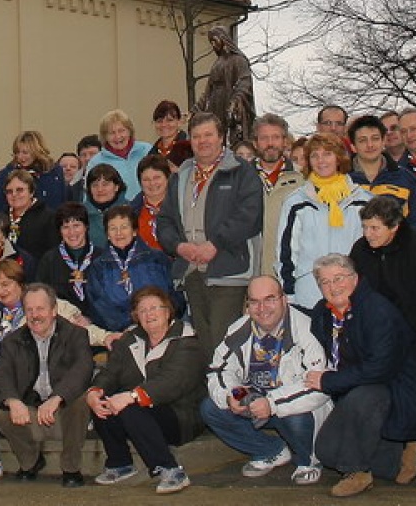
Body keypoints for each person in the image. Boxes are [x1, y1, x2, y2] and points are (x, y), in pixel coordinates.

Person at [0, 262, 115, 481]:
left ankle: (63, 467)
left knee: (78, 399)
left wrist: (106, 336)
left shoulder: (61, 321)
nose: (35, 315)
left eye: (6, 284)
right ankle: (14, 448)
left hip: (41, 390)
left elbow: (81, 353)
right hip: (3, 380)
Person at [304, 255, 416, 497]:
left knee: (366, 394)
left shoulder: (377, 310)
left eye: (339, 279)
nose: (333, 287)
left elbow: (379, 369)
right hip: (355, 395)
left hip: (399, 393)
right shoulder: (322, 314)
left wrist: (328, 381)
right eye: (325, 282)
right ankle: (402, 450)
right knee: (326, 452)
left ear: (354, 278)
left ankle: (358, 471)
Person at [351, 194, 416, 467]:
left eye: (374, 228)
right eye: (364, 227)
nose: (367, 234)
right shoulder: (361, 250)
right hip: (382, 335)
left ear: (394, 226)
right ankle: (393, 442)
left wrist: (410, 333)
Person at [201, 274, 329, 485]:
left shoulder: (307, 329)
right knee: (211, 408)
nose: (262, 308)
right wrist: (231, 395)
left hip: (292, 400)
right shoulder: (238, 329)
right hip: (255, 396)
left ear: (283, 300)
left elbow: (317, 386)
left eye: (270, 299)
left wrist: (272, 403)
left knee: (296, 416)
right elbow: (219, 370)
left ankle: (308, 461)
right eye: (255, 302)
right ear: (247, 305)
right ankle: (272, 451)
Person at [157, 110, 262, 356]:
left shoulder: (240, 171)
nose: (202, 141)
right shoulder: (182, 176)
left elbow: (249, 216)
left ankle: (226, 392)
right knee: (204, 344)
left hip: (228, 271)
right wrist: (178, 247)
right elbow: (165, 220)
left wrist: (215, 244)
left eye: (208, 135)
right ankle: (210, 391)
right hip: (192, 272)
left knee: (223, 342)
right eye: (196, 136)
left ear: (221, 137)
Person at [87, 286, 204, 493]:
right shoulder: (130, 338)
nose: (149, 314)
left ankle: (170, 470)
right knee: (103, 402)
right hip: (141, 413)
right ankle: (120, 463)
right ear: (136, 316)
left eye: (154, 308)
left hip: (180, 415)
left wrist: (132, 396)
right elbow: (112, 371)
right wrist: (95, 391)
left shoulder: (187, 341)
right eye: (142, 310)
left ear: (167, 312)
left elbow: (172, 382)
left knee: (130, 407)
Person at [0, 283, 95, 487]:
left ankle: (71, 467)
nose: (35, 315)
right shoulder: (12, 341)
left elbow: (82, 370)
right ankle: (30, 461)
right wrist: (13, 400)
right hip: (32, 413)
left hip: (64, 413)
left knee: (81, 401)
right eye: (29, 310)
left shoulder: (76, 335)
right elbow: (0, 375)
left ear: (54, 310)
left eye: (40, 309)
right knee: (1, 412)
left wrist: (58, 397)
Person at [276, 134, 373, 308]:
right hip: (309, 294)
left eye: (327, 154)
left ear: (339, 158)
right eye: (314, 155)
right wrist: (289, 293)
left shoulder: (364, 201)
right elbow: (286, 254)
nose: (321, 161)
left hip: (355, 293)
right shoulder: (296, 202)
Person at [88, 204, 177, 332]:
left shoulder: (157, 259)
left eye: (124, 227)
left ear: (134, 230)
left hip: (162, 328)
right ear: (107, 234)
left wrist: (158, 321)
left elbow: (172, 295)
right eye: (113, 228)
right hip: (121, 333)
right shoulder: (98, 267)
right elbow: (98, 306)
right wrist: (129, 326)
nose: (119, 233)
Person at [348, 115, 416, 232]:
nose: (370, 145)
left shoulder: (404, 178)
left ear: (383, 141)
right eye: (363, 140)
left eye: (375, 138)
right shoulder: (342, 180)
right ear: (353, 146)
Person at [253, 114, 304, 274]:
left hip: (289, 268)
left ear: (285, 141)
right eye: (264, 138)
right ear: (255, 143)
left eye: (275, 137)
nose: (270, 144)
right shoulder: (240, 178)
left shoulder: (302, 178)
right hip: (250, 270)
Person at [38, 202, 98, 320]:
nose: (72, 232)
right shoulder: (49, 260)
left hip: (96, 324)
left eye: (76, 225)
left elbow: (106, 299)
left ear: (86, 226)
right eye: (65, 227)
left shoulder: (101, 258)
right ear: (59, 231)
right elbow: (43, 298)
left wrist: (91, 319)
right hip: (61, 324)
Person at [199, 26, 256, 147]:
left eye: (215, 40)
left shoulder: (238, 60)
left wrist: (235, 100)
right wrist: (195, 109)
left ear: (223, 39)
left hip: (229, 100)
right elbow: (208, 91)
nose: (213, 45)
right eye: (211, 42)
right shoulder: (217, 63)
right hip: (216, 104)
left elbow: (244, 82)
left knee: (231, 137)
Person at [0, 130, 68, 209]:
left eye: (25, 152)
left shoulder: (55, 172)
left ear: (37, 151)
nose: (20, 157)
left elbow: (63, 202)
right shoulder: (7, 174)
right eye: (17, 152)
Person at [4, 168, 58, 263]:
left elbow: (52, 255)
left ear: (31, 192)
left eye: (20, 190)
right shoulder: (1, 217)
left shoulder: (49, 217)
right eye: (9, 191)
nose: (14, 194)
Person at [88, 109, 153, 184]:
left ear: (130, 131)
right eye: (112, 133)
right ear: (105, 136)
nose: (117, 136)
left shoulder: (147, 150)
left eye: (121, 131)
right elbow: (89, 192)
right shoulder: (96, 162)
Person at [84, 162, 130, 247]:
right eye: (95, 185)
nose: (100, 189)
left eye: (105, 184)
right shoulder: (81, 214)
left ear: (117, 187)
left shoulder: (131, 211)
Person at [151, 100, 193, 169]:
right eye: (159, 121)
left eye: (169, 120)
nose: (164, 125)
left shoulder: (189, 149)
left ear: (179, 122)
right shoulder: (152, 153)